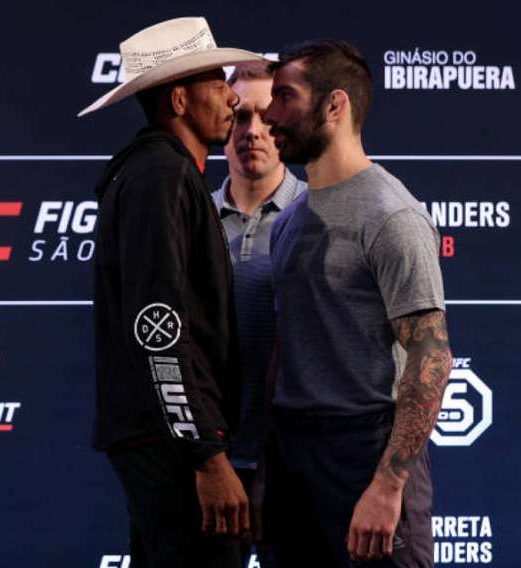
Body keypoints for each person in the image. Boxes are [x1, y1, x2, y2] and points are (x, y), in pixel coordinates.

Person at [78, 17, 265, 568]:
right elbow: (158, 325)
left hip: (164, 438)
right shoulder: (161, 176)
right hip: (174, 445)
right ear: (179, 100)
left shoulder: (158, 172)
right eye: (217, 85)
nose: (232, 98)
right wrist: (206, 455)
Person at [262, 40, 453, 567]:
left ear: (334, 106)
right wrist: (267, 468)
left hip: (367, 453)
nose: (270, 113)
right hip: (293, 457)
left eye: (285, 96)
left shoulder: (392, 217)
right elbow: (286, 347)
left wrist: (389, 485)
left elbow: (430, 358)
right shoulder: (291, 219)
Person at [210, 60, 305, 546]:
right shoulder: (190, 217)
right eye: (240, 116)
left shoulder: (318, 217)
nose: (253, 132)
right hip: (207, 469)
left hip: (295, 468)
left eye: (267, 119)